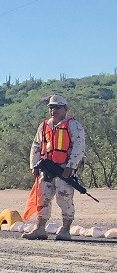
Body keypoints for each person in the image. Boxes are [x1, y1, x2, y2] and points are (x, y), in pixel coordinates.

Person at [24, 94, 87, 242]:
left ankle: (65, 230)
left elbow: (79, 147)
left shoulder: (73, 125)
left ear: (65, 109)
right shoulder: (44, 126)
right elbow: (36, 146)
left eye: (57, 107)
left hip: (64, 169)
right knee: (42, 198)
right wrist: (34, 165)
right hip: (46, 169)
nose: (54, 110)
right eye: (51, 107)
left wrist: (71, 166)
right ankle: (40, 228)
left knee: (64, 198)